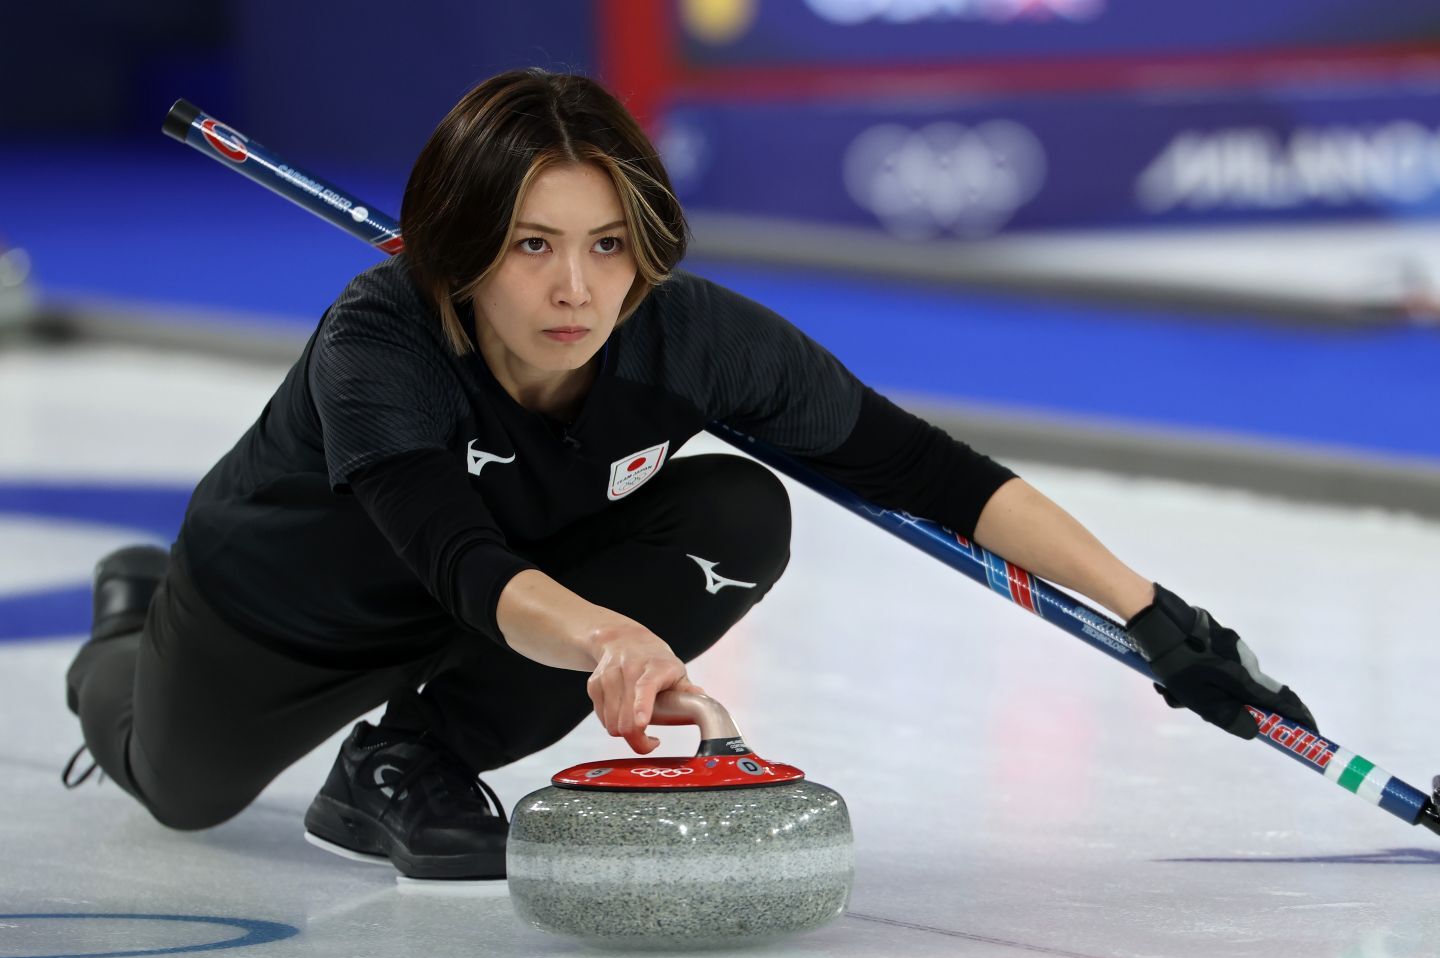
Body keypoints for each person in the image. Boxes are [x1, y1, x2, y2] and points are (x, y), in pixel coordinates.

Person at [63, 68, 1317, 881]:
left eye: (609, 245)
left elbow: (929, 471)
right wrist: (612, 637)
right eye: (530, 246)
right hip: (287, 607)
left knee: (738, 508)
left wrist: (1157, 616)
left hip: (514, 601)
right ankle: (128, 619)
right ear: (460, 248)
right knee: (177, 791)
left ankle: (412, 760)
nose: (576, 288)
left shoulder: (690, 334)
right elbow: (459, 559)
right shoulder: (380, 341)